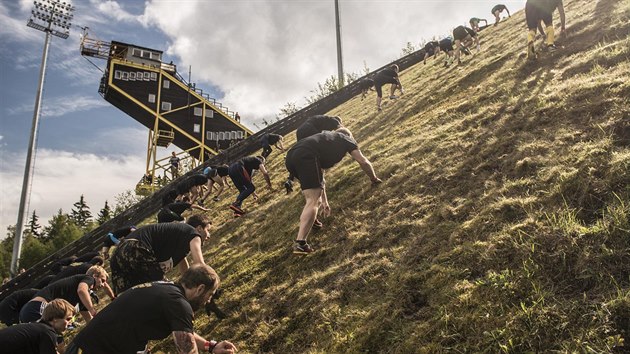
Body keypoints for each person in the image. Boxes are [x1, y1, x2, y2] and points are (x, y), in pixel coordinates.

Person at [66, 264, 237, 354]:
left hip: (89, 345)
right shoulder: (179, 304)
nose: (208, 301)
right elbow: (187, 349)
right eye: (210, 294)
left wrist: (211, 346)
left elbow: (184, 335)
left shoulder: (166, 289)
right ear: (200, 289)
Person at [285, 127, 382, 254]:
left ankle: (311, 220)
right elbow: (363, 161)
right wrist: (374, 178)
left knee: (313, 198)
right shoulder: (345, 138)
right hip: (306, 155)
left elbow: (320, 178)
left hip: (291, 157)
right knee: (313, 200)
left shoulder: (324, 139)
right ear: (349, 136)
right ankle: (300, 243)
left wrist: (325, 202)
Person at [109, 215, 212, 295]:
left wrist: (189, 285)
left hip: (118, 253)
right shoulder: (194, 234)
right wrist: (211, 284)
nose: (209, 236)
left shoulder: (178, 236)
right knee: (162, 288)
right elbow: (199, 265)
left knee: (127, 297)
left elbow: (185, 269)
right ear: (199, 228)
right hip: (136, 247)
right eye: (208, 230)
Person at [19, 265, 108, 324]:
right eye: (103, 280)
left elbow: (89, 319)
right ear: (95, 276)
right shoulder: (89, 278)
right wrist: (93, 310)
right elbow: (81, 290)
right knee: (50, 337)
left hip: (30, 310)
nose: (103, 285)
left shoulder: (82, 298)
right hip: (39, 308)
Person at [284, 115, 344, 194]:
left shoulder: (321, 120)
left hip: (300, 130)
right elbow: (341, 129)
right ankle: (320, 166)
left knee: (302, 150)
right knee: (318, 145)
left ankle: (290, 180)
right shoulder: (333, 119)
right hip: (309, 129)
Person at [0, 298, 76, 354]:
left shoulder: (37, 328)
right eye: (68, 319)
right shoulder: (46, 332)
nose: (70, 324)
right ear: (55, 319)